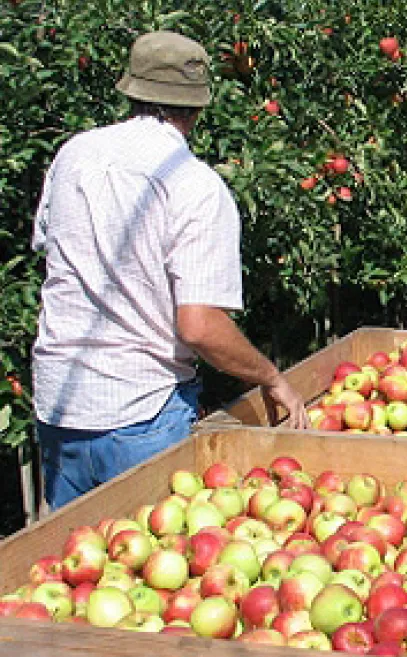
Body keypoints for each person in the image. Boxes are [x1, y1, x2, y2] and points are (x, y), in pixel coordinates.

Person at [31, 30, 308, 510]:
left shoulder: (73, 154)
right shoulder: (194, 185)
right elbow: (200, 327)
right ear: (197, 107)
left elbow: (51, 253)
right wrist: (271, 377)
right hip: (141, 408)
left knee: (66, 547)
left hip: (60, 400)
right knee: (156, 546)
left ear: (132, 91)